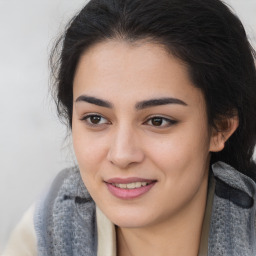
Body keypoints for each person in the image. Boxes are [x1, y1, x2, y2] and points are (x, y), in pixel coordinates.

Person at [2, 0, 256, 255]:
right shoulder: (45, 234)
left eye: (158, 121)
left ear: (220, 128)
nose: (122, 155)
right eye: (95, 119)